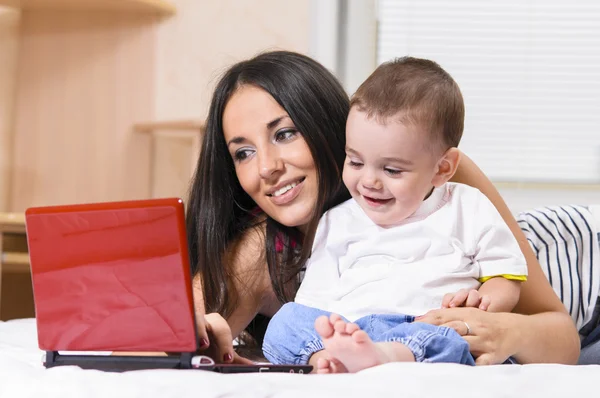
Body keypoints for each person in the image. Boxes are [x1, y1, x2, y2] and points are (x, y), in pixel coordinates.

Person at [185, 50, 581, 367]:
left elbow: (561, 336)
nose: (266, 167)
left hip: (571, 268)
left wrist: (503, 330)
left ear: (330, 128)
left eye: (285, 133)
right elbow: (170, 335)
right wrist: (206, 340)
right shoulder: (261, 249)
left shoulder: (444, 183)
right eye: (244, 152)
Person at [261, 57, 528, 373]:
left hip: (423, 323)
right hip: (353, 327)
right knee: (285, 321)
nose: (369, 182)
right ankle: (327, 360)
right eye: (356, 162)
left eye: (391, 169)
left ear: (442, 168)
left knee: (452, 340)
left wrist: (481, 307)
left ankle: (387, 356)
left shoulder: (467, 207)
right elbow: (313, 305)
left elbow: (506, 276)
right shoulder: (336, 221)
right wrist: (328, 333)